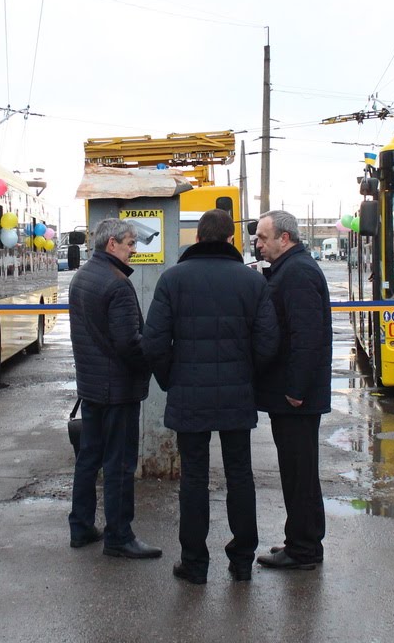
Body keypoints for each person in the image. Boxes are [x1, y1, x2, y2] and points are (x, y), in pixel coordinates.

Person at [142, 209, 279, 584]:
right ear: (231, 240)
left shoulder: (173, 280)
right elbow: (268, 342)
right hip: (237, 396)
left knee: (194, 480)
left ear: (198, 238)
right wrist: (247, 375)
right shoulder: (252, 283)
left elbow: (154, 342)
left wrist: (172, 378)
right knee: (240, 477)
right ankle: (241, 562)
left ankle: (195, 563)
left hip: (189, 394)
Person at [67, 219, 160, 560]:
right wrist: (152, 362)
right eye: (130, 243)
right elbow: (129, 344)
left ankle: (81, 526)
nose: (134, 249)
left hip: (91, 386)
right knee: (120, 463)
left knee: (89, 458)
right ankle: (119, 536)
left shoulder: (83, 277)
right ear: (112, 245)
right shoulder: (118, 285)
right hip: (117, 389)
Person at [253, 210, 332, 571]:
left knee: (299, 474)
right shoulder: (290, 269)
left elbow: (306, 336)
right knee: (297, 471)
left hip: (296, 395)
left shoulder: (297, 272)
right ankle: (301, 542)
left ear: (285, 238)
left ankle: (303, 549)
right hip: (293, 392)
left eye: (263, 238)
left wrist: (297, 388)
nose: (258, 243)